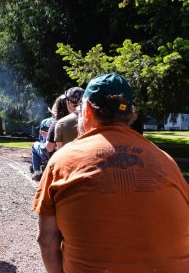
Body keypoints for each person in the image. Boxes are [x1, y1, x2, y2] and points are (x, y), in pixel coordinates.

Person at [32, 73, 189, 273]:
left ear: (87, 110)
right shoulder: (166, 162)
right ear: (131, 112)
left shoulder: (62, 161)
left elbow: (46, 241)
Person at [31, 94, 69, 181]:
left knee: (35, 145)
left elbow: (49, 148)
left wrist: (47, 136)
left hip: (54, 153)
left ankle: (37, 171)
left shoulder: (54, 123)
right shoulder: (77, 121)